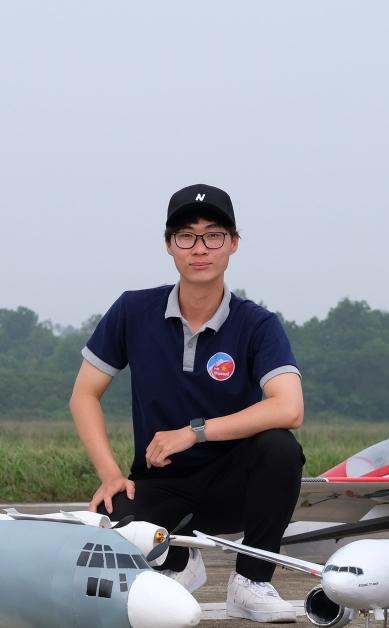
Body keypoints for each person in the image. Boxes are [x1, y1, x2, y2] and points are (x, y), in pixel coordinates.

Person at [69, 183, 304, 624]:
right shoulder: (133, 311)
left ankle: (252, 582)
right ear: (168, 245)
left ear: (233, 244)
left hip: (233, 485)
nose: (200, 248)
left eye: (213, 235)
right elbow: (84, 394)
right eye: (186, 236)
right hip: (159, 481)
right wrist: (109, 474)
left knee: (280, 447)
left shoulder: (257, 324)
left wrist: (194, 432)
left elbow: (289, 408)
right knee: (109, 528)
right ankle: (177, 562)